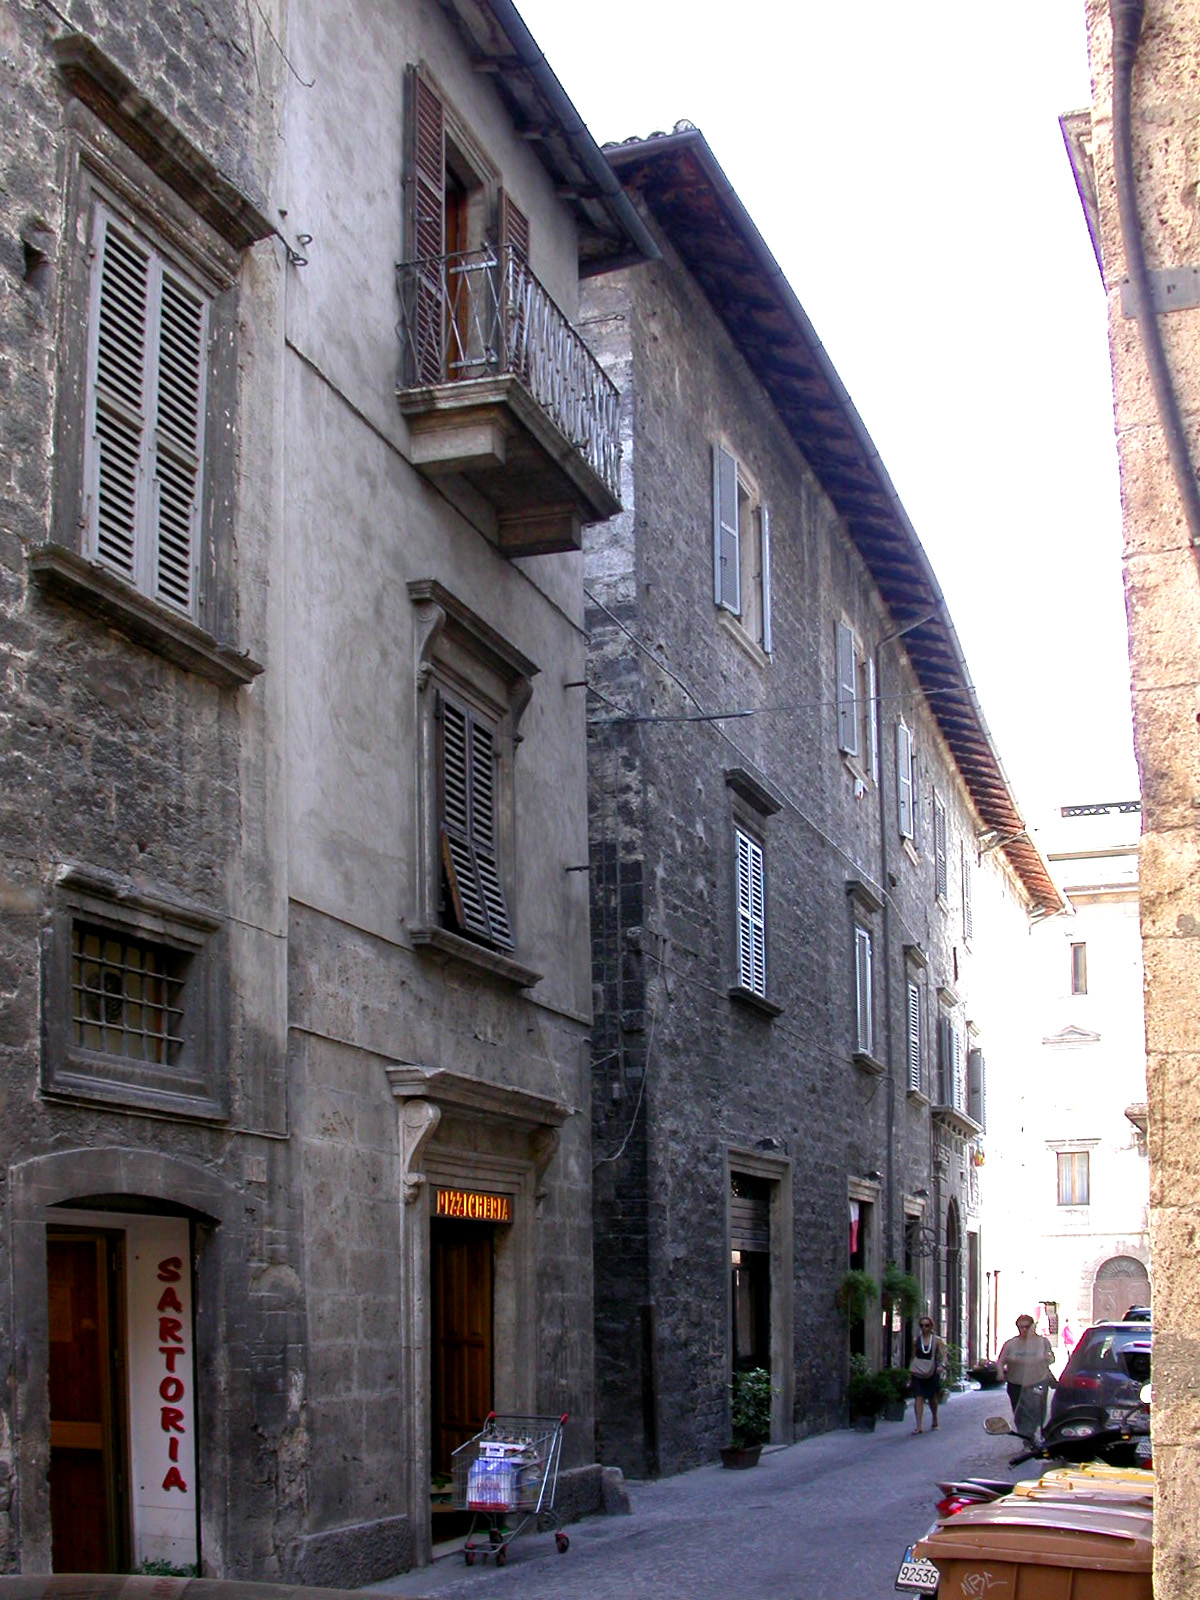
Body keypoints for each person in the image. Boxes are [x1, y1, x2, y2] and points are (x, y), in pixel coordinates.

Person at [995, 1313, 1056, 1430]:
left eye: (1027, 1327)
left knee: (1036, 1410)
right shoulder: (1011, 1344)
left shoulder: (1043, 1342)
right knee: (1019, 1413)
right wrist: (1000, 1373)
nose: (1024, 1330)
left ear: (1033, 1326)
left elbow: (1052, 1358)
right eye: (1020, 1327)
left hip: (1038, 1381)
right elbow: (1001, 1361)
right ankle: (1026, 1437)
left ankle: (1036, 1432)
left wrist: (1048, 1359)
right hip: (1016, 1383)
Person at [909, 1316, 947, 1434]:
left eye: (927, 1325)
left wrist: (942, 1366)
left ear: (931, 1326)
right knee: (918, 1397)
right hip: (918, 1372)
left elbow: (944, 1354)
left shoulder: (937, 1340)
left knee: (932, 1398)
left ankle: (935, 1418)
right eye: (922, 1326)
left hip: (932, 1372)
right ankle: (919, 1425)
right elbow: (914, 1355)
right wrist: (910, 1369)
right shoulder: (916, 1340)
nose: (924, 1328)